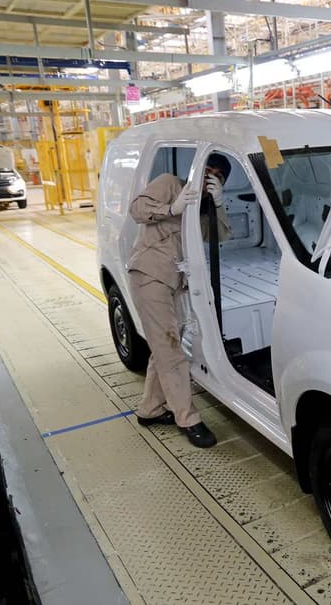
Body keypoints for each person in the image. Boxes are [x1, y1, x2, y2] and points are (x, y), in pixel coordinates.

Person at [127, 152, 233, 448]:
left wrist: (219, 202)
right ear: (197, 168)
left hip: (176, 282)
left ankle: (150, 409)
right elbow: (136, 209)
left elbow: (221, 236)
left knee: (163, 348)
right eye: (208, 170)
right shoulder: (171, 184)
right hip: (149, 277)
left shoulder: (204, 209)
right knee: (171, 349)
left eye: (218, 176)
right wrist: (172, 207)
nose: (210, 177)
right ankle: (187, 418)